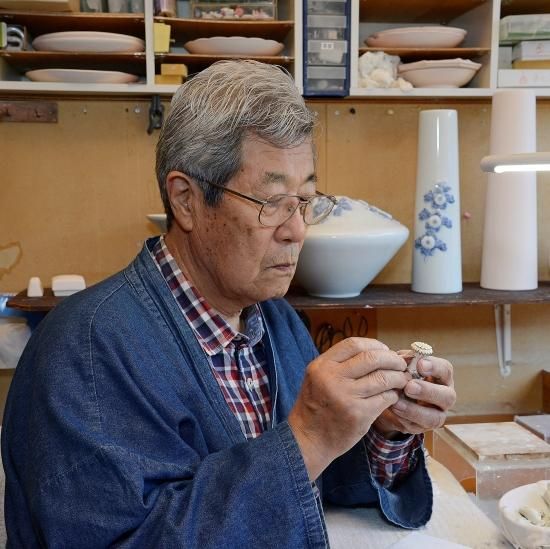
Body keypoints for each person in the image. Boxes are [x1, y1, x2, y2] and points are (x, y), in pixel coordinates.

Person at [2, 60, 456, 548]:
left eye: (305, 201)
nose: (297, 229)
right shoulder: (85, 352)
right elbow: (126, 540)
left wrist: (382, 428)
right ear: (187, 200)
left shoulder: (275, 320)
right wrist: (306, 437)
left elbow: (314, 485)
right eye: (271, 202)